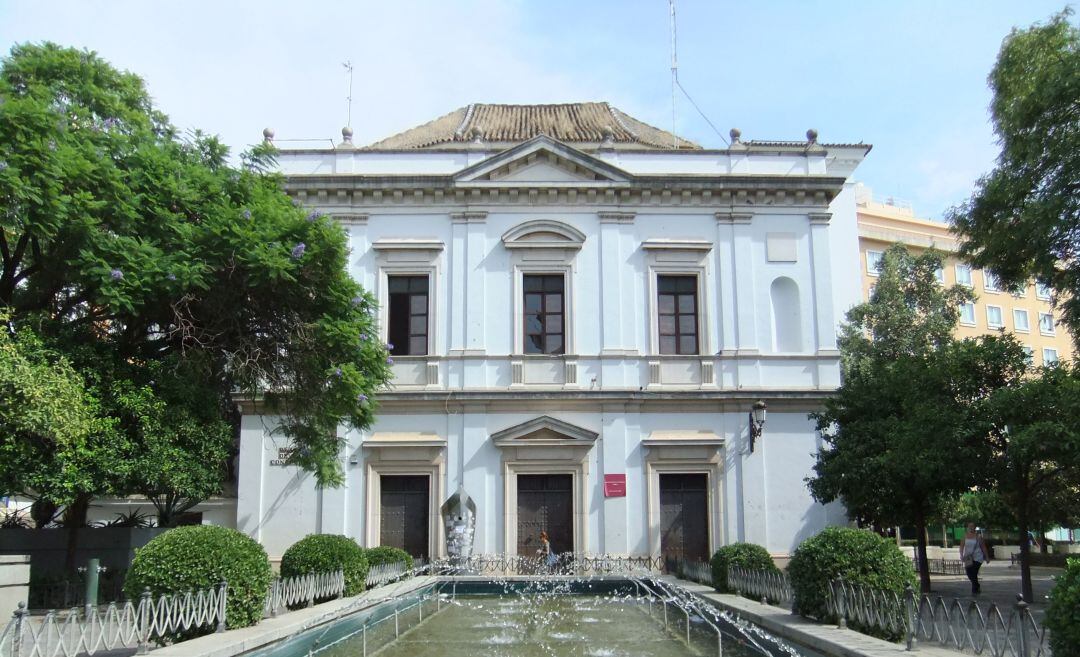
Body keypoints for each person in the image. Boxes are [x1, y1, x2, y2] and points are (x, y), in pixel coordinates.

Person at [960, 523, 991, 595]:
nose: (971, 527)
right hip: (968, 557)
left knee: (974, 572)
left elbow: (983, 547)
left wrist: (987, 557)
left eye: (972, 526)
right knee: (969, 573)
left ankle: (974, 590)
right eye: (969, 526)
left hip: (978, 557)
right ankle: (977, 585)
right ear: (967, 527)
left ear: (975, 527)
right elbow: (961, 546)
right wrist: (961, 555)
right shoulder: (964, 536)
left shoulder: (978, 536)